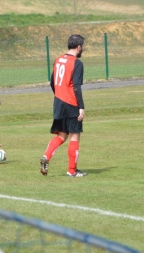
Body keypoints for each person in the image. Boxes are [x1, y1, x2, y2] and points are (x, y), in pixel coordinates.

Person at [40, 34, 87, 177]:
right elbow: (77, 87)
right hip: (71, 103)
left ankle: (46, 156)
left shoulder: (58, 59)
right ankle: (72, 171)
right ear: (79, 47)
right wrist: (81, 107)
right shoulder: (77, 63)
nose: (83, 49)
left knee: (61, 135)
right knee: (74, 136)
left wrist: (58, 94)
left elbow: (52, 82)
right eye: (83, 47)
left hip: (58, 102)